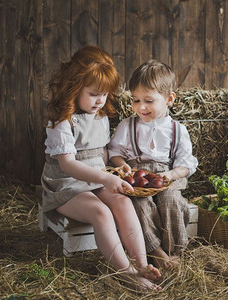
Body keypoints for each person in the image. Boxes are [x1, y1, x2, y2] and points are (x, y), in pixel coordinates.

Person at [40, 46, 161, 292]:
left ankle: (140, 263)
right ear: (74, 87)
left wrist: (117, 170)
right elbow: (68, 164)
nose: (100, 101)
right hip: (66, 186)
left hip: (95, 181)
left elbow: (100, 153)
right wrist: (105, 179)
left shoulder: (101, 116)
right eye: (94, 94)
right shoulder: (62, 121)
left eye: (105, 95)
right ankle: (125, 274)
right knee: (100, 213)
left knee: (123, 202)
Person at [108, 59, 198, 269]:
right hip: (138, 180)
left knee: (172, 201)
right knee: (139, 204)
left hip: (166, 178)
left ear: (169, 99)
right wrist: (122, 164)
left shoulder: (178, 130)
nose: (141, 107)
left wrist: (172, 175)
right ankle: (154, 251)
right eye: (136, 100)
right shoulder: (127, 126)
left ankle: (173, 251)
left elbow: (187, 164)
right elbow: (114, 152)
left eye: (148, 101)